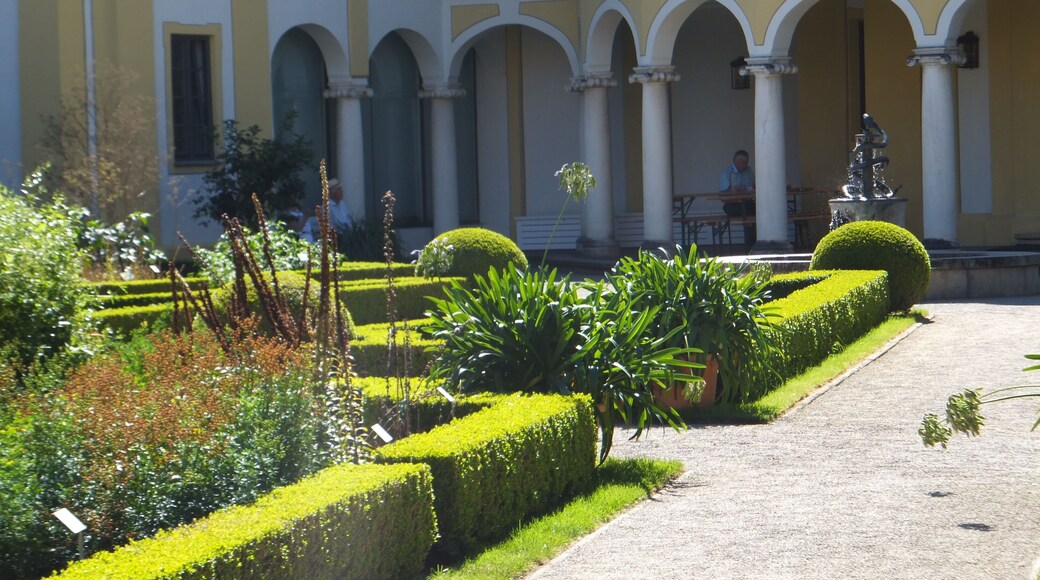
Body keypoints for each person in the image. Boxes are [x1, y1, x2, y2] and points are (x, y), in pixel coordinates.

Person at [718, 150, 756, 244]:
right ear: (734, 161)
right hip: (733, 205)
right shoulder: (727, 173)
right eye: (741, 162)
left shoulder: (749, 171)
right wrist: (734, 191)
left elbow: (754, 187)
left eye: (745, 162)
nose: (743, 164)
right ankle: (750, 246)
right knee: (748, 214)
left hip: (748, 203)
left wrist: (747, 189)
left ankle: (756, 243)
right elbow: (722, 196)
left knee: (761, 212)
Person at [299, 178, 352, 243]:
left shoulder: (343, 204)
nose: (342, 192)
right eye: (339, 190)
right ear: (333, 192)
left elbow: (348, 219)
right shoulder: (327, 207)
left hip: (348, 235)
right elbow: (330, 226)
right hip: (336, 237)